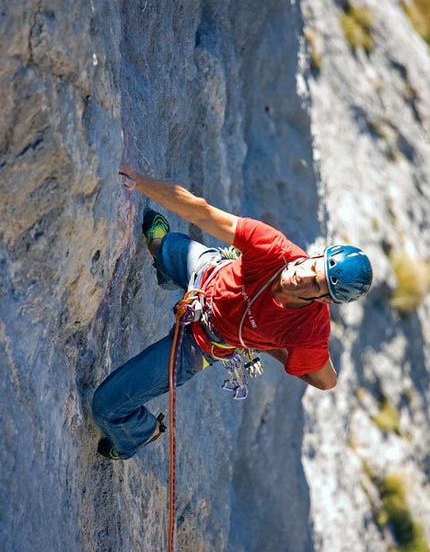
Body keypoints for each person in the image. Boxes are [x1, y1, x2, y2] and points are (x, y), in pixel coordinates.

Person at [92, 163, 373, 460]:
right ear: (317, 254)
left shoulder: (309, 331)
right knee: (162, 245)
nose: (303, 276)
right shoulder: (272, 248)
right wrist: (140, 182)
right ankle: (163, 262)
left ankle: (140, 433)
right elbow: (201, 212)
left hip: (201, 344)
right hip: (207, 273)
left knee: (107, 406)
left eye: (316, 283)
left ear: (325, 300)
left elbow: (326, 381)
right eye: (314, 266)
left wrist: (273, 347)